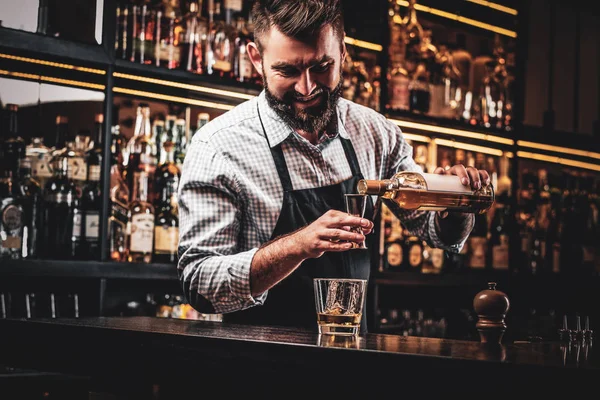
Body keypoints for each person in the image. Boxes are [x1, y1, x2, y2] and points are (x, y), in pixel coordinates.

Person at [177, 0, 488, 333]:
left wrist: (455, 202)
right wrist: (297, 246)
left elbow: (434, 232)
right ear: (256, 59)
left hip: (355, 363)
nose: (307, 88)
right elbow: (200, 283)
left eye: (321, 66)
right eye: (288, 71)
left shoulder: (374, 132)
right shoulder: (219, 147)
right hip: (261, 368)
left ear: (342, 52)